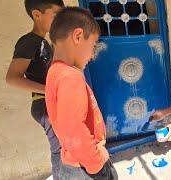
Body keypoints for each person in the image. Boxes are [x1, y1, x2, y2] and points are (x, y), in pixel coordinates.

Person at [45, 7, 117, 180]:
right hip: (85, 168)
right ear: (77, 36)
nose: (92, 55)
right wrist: (97, 164)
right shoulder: (70, 76)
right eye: (93, 45)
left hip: (74, 162)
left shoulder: (55, 72)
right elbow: (73, 130)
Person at [5, 0, 64, 179]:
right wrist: (50, 91)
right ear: (37, 15)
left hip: (50, 103)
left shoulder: (43, 42)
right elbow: (12, 78)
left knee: (64, 148)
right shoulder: (29, 41)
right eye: (56, 16)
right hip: (44, 105)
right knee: (59, 150)